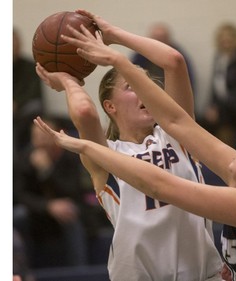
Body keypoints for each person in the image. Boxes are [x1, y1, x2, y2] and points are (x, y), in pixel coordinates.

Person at [35, 18, 236, 280]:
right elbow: (174, 114)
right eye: (133, 86)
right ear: (110, 106)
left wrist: (80, 143)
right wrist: (110, 38)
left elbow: (158, 184)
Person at [34, 9, 222, 281]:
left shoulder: (177, 134)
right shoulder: (108, 154)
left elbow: (174, 61)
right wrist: (67, 80)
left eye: (146, 83)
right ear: (110, 106)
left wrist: (113, 35)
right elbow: (86, 113)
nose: (144, 89)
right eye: (131, 86)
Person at [13, 117, 88, 268]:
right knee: (17, 216)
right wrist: (47, 206)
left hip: (69, 206)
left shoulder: (70, 156)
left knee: (69, 212)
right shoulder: (25, 159)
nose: (39, 140)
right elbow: (21, 195)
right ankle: (26, 271)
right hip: (38, 211)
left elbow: (73, 191)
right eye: (35, 136)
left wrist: (48, 171)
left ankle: (79, 271)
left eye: (43, 135)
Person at [130, 22, 196, 94]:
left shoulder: (177, 56)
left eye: (162, 38)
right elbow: (130, 76)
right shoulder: (140, 55)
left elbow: (188, 82)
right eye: (156, 39)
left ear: (168, 40)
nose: (158, 42)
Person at [13, 27, 45, 155]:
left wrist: (17, 103)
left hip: (23, 111)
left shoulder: (30, 66)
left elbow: (34, 92)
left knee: (34, 107)